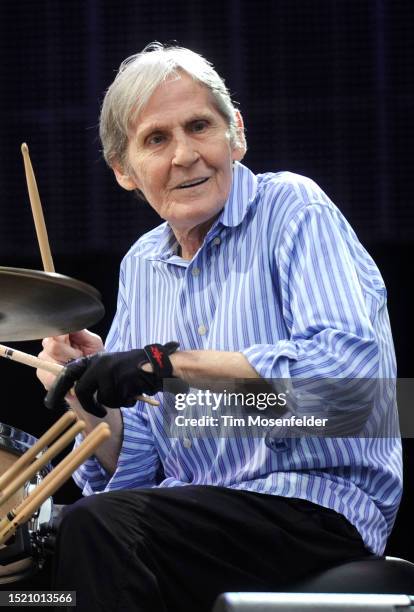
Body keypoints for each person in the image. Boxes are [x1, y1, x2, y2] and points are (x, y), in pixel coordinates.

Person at [37, 42, 402, 612]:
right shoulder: (142, 264)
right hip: (191, 519)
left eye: (199, 126)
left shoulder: (294, 209)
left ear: (236, 134)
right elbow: (139, 469)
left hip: (313, 508)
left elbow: (353, 393)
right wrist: (91, 398)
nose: (185, 154)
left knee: (100, 530)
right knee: (38, 570)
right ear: (124, 171)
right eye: (156, 139)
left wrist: (164, 365)